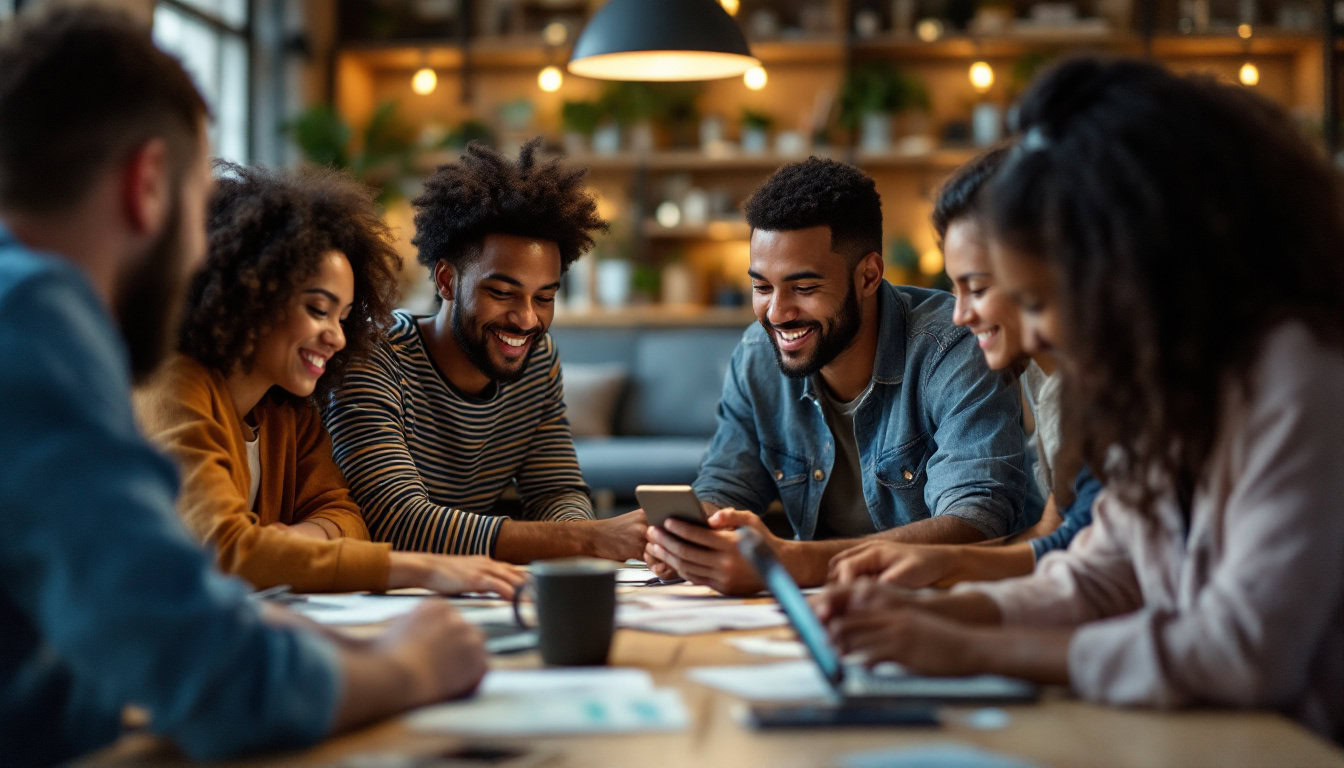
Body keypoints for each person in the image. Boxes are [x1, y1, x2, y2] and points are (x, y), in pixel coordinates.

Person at [0, 10, 486, 764]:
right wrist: (411, 665)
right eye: (199, 209)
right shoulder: (34, 317)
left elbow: (115, 633)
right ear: (150, 183)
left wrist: (230, 616)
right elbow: (215, 678)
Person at [818, 57, 1344, 741]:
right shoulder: (1164, 382)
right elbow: (1102, 575)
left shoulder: (1297, 371)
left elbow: (1242, 652)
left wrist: (971, 649)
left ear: (1142, 263)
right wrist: (939, 619)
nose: (1033, 329)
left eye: (1043, 299)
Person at [135, 163, 525, 597]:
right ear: (250, 293)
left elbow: (348, 519)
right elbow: (225, 552)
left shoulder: (287, 412)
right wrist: (419, 569)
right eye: (318, 310)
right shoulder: (172, 385)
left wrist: (291, 543)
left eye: (343, 317)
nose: (337, 337)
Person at [644, 157, 1029, 595]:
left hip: (940, 600)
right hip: (826, 602)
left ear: (868, 275)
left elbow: (976, 520)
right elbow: (726, 483)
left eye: (803, 289)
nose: (776, 314)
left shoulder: (953, 347)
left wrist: (792, 563)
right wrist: (691, 540)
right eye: (762, 287)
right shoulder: (757, 355)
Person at [326, 140, 646, 563]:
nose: (527, 319)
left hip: (465, 585)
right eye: (501, 292)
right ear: (445, 281)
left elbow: (554, 490)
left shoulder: (538, 362)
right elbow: (395, 522)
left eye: (544, 297)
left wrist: (581, 538)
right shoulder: (373, 357)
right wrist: (587, 539)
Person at [829, 146, 1101, 587]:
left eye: (976, 288)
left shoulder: (1123, 393)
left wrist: (952, 571)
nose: (959, 315)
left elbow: (1102, 567)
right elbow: (1062, 535)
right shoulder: (1048, 376)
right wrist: (941, 570)